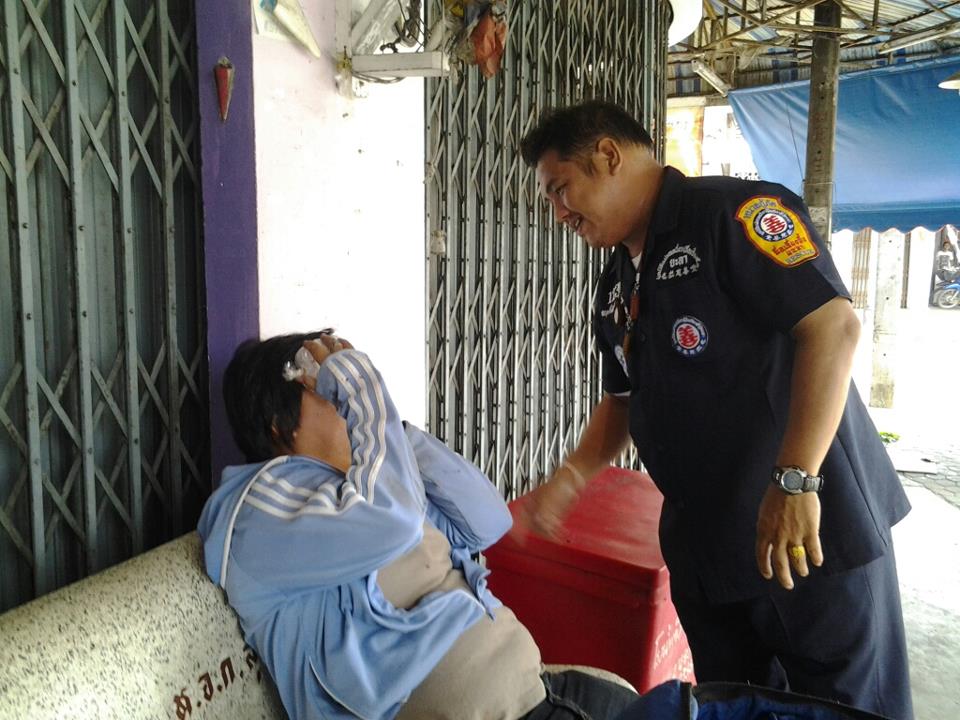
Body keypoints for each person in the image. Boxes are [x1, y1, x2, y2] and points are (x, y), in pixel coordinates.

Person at [517, 100, 913, 720]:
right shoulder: (618, 283)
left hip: (808, 538)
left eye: (560, 189)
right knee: (735, 708)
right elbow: (623, 401)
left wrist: (796, 480)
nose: (558, 213)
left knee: (846, 707)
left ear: (608, 155)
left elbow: (833, 328)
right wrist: (569, 479)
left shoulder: (731, 215)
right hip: (715, 557)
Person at [197, 330, 638, 720]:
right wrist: (364, 394)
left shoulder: (369, 485)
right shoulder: (260, 512)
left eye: (341, 386)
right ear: (280, 426)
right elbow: (395, 523)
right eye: (327, 391)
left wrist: (395, 431)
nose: (345, 400)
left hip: (530, 692)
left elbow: (486, 519)